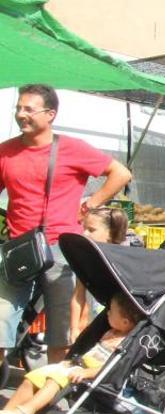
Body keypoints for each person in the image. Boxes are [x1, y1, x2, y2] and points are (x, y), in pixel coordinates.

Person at [0, 84, 133, 366]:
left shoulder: (72, 148)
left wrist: (90, 203)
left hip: (62, 249)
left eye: (28, 109)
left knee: (61, 330)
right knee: (1, 320)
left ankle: (46, 398)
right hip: (18, 249)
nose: (21, 114)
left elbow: (120, 173)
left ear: (50, 114)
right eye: (18, 108)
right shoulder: (5, 152)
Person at [0, 292, 141, 414]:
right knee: (32, 377)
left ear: (125, 322)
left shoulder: (125, 343)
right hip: (76, 367)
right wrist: (70, 363)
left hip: (93, 376)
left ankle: (26, 411)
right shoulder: (110, 332)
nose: (107, 313)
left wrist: (86, 372)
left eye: (111, 311)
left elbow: (113, 367)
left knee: (54, 379)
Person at [70, 207, 129, 340]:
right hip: (95, 322)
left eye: (91, 230)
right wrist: (74, 328)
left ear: (110, 233)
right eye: (84, 228)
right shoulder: (85, 260)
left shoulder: (122, 259)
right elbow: (78, 296)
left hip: (121, 323)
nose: (84, 233)